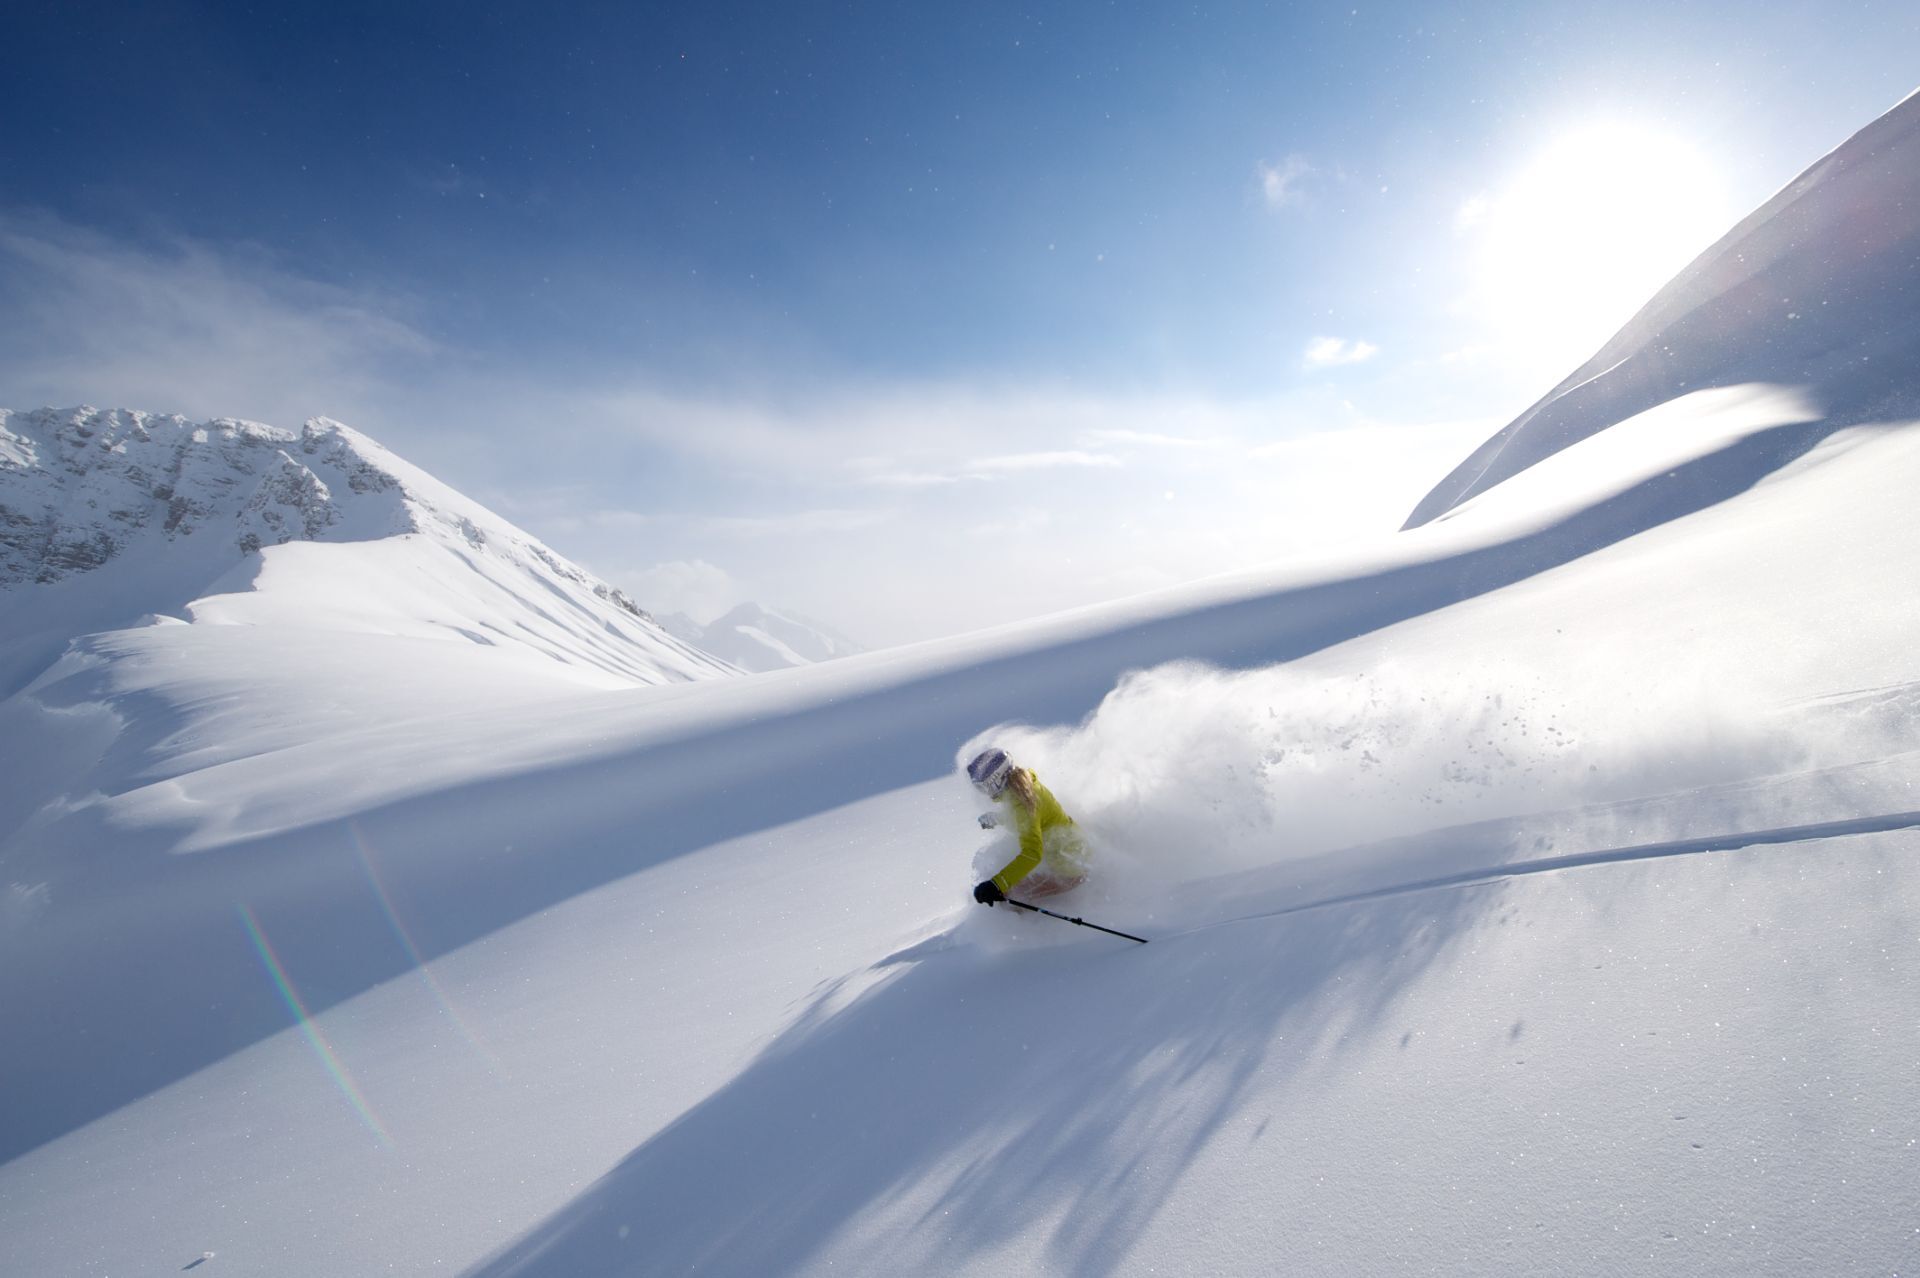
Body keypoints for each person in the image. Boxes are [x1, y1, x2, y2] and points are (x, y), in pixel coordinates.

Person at [965, 746, 1089, 905]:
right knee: (1008, 891)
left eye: (984, 787)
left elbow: (1032, 854)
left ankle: (1029, 928)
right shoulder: (1023, 786)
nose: (984, 792)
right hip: (1073, 853)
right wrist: (1000, 818)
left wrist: (996, 884)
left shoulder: (1023, 804)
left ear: (996, 780)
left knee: (1009, 896)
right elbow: (1032, 820)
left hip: (1070, 869)